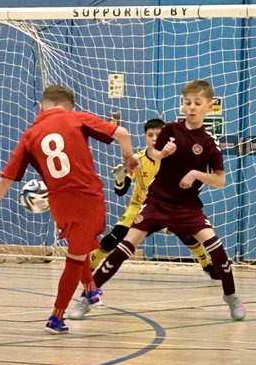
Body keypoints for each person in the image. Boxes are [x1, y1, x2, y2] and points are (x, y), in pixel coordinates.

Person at [0, 84, 137, 333]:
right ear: (70, 106)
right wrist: (128, 158)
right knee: (76, 257)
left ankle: (91, 289)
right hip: (87, 198)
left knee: (79, 245)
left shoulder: (30, 134)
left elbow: (7, 177)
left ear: (41, 106)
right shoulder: (76, 118)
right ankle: (56, 317)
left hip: (59, 203)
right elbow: (122, 133)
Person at [91, 79, 246, 322]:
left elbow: (220, 180)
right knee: (125, 244)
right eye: (187, 102)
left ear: (209, 106)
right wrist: (161, 153)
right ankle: (86, 296)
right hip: (157, 202)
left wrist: (195, 174)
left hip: (187, 207)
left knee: (216, 248)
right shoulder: (171, 129)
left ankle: (231, 296)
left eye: (197, 103)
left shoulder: (209, 142)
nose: (191, 107)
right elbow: (151, 153)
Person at [88, 115, 218, 287]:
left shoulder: (178, 158)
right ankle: (91, 263)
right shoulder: (137, 159)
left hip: (169, 205)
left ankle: (207, 264)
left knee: (188, 235)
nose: (155, 138)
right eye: (150, 135)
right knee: (115, 237)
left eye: (159, 134)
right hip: (139, 208)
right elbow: (120, 191)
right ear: (145, 138)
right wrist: (119, 179)